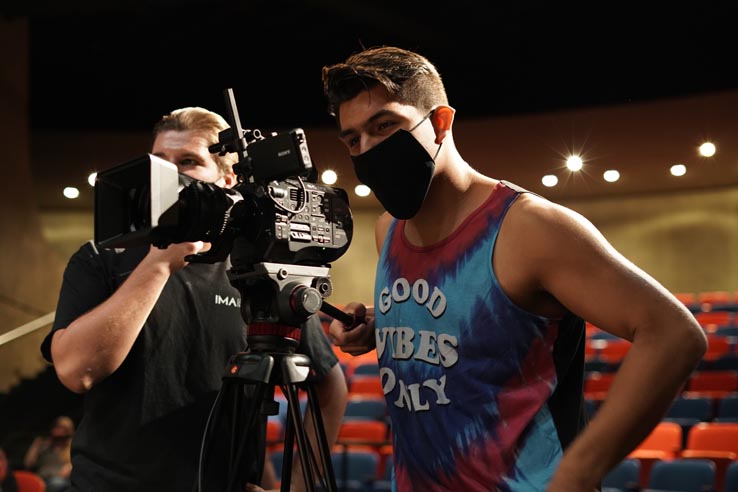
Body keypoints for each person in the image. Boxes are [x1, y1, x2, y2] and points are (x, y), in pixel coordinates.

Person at [322, 46, 707, 492]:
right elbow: (467, 321)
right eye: (354, 140)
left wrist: (580, 473)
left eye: (385, 126)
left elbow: (675, 335)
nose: (368, 150)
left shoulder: (529, 227)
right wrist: (382, 323)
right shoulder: (387, 230)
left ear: (441, 123)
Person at [41, 106, 348, 492]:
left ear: (227, 178)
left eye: (188, 162)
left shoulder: (258, 271)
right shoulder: (101, 259)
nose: (168, 175)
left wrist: (298, 486)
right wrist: (158, 264)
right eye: (159, 162)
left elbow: (330, 386)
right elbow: (77, 370)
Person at [23, 415, 74, 492]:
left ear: (68, 430)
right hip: (41, 478)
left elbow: (74, 466)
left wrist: (69, 467)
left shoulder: (71, 447)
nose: (57, 430)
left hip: (59, 479)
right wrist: (35, 446)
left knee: (57, 483)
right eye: (56, 427)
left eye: (61, 427)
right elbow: (28, 464)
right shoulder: (44, 446)